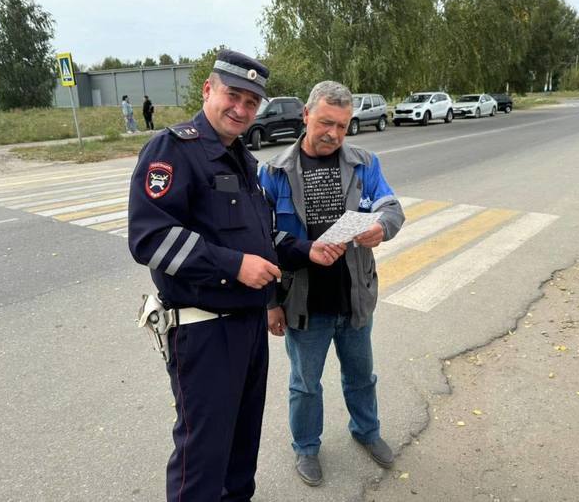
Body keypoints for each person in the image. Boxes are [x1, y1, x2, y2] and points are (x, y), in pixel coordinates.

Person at [127, 51, 345, 502]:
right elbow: (151, 238)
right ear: (208, 90)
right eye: (233, 96)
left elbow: (262, 238)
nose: (242, 110)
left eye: (252, 101)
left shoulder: (242, 159)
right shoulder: (173, 150)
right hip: (204, 330)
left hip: (247, 328)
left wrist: (307, 250)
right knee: (202, 461)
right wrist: (232, 265)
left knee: (241, 452)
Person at [259, 80, 405, 486]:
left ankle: (367, 432)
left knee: (362, 376)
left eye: (342, 125)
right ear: (305, 115)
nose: (334, 134)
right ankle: (306, 447)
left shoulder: (363, 162)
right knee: (305, 384)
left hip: (354, 297)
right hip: (305, 302)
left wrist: (382, 227)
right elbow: (260, 240)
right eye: (325, 123)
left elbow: (389, 204)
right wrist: (270, 301)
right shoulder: (274, 171)